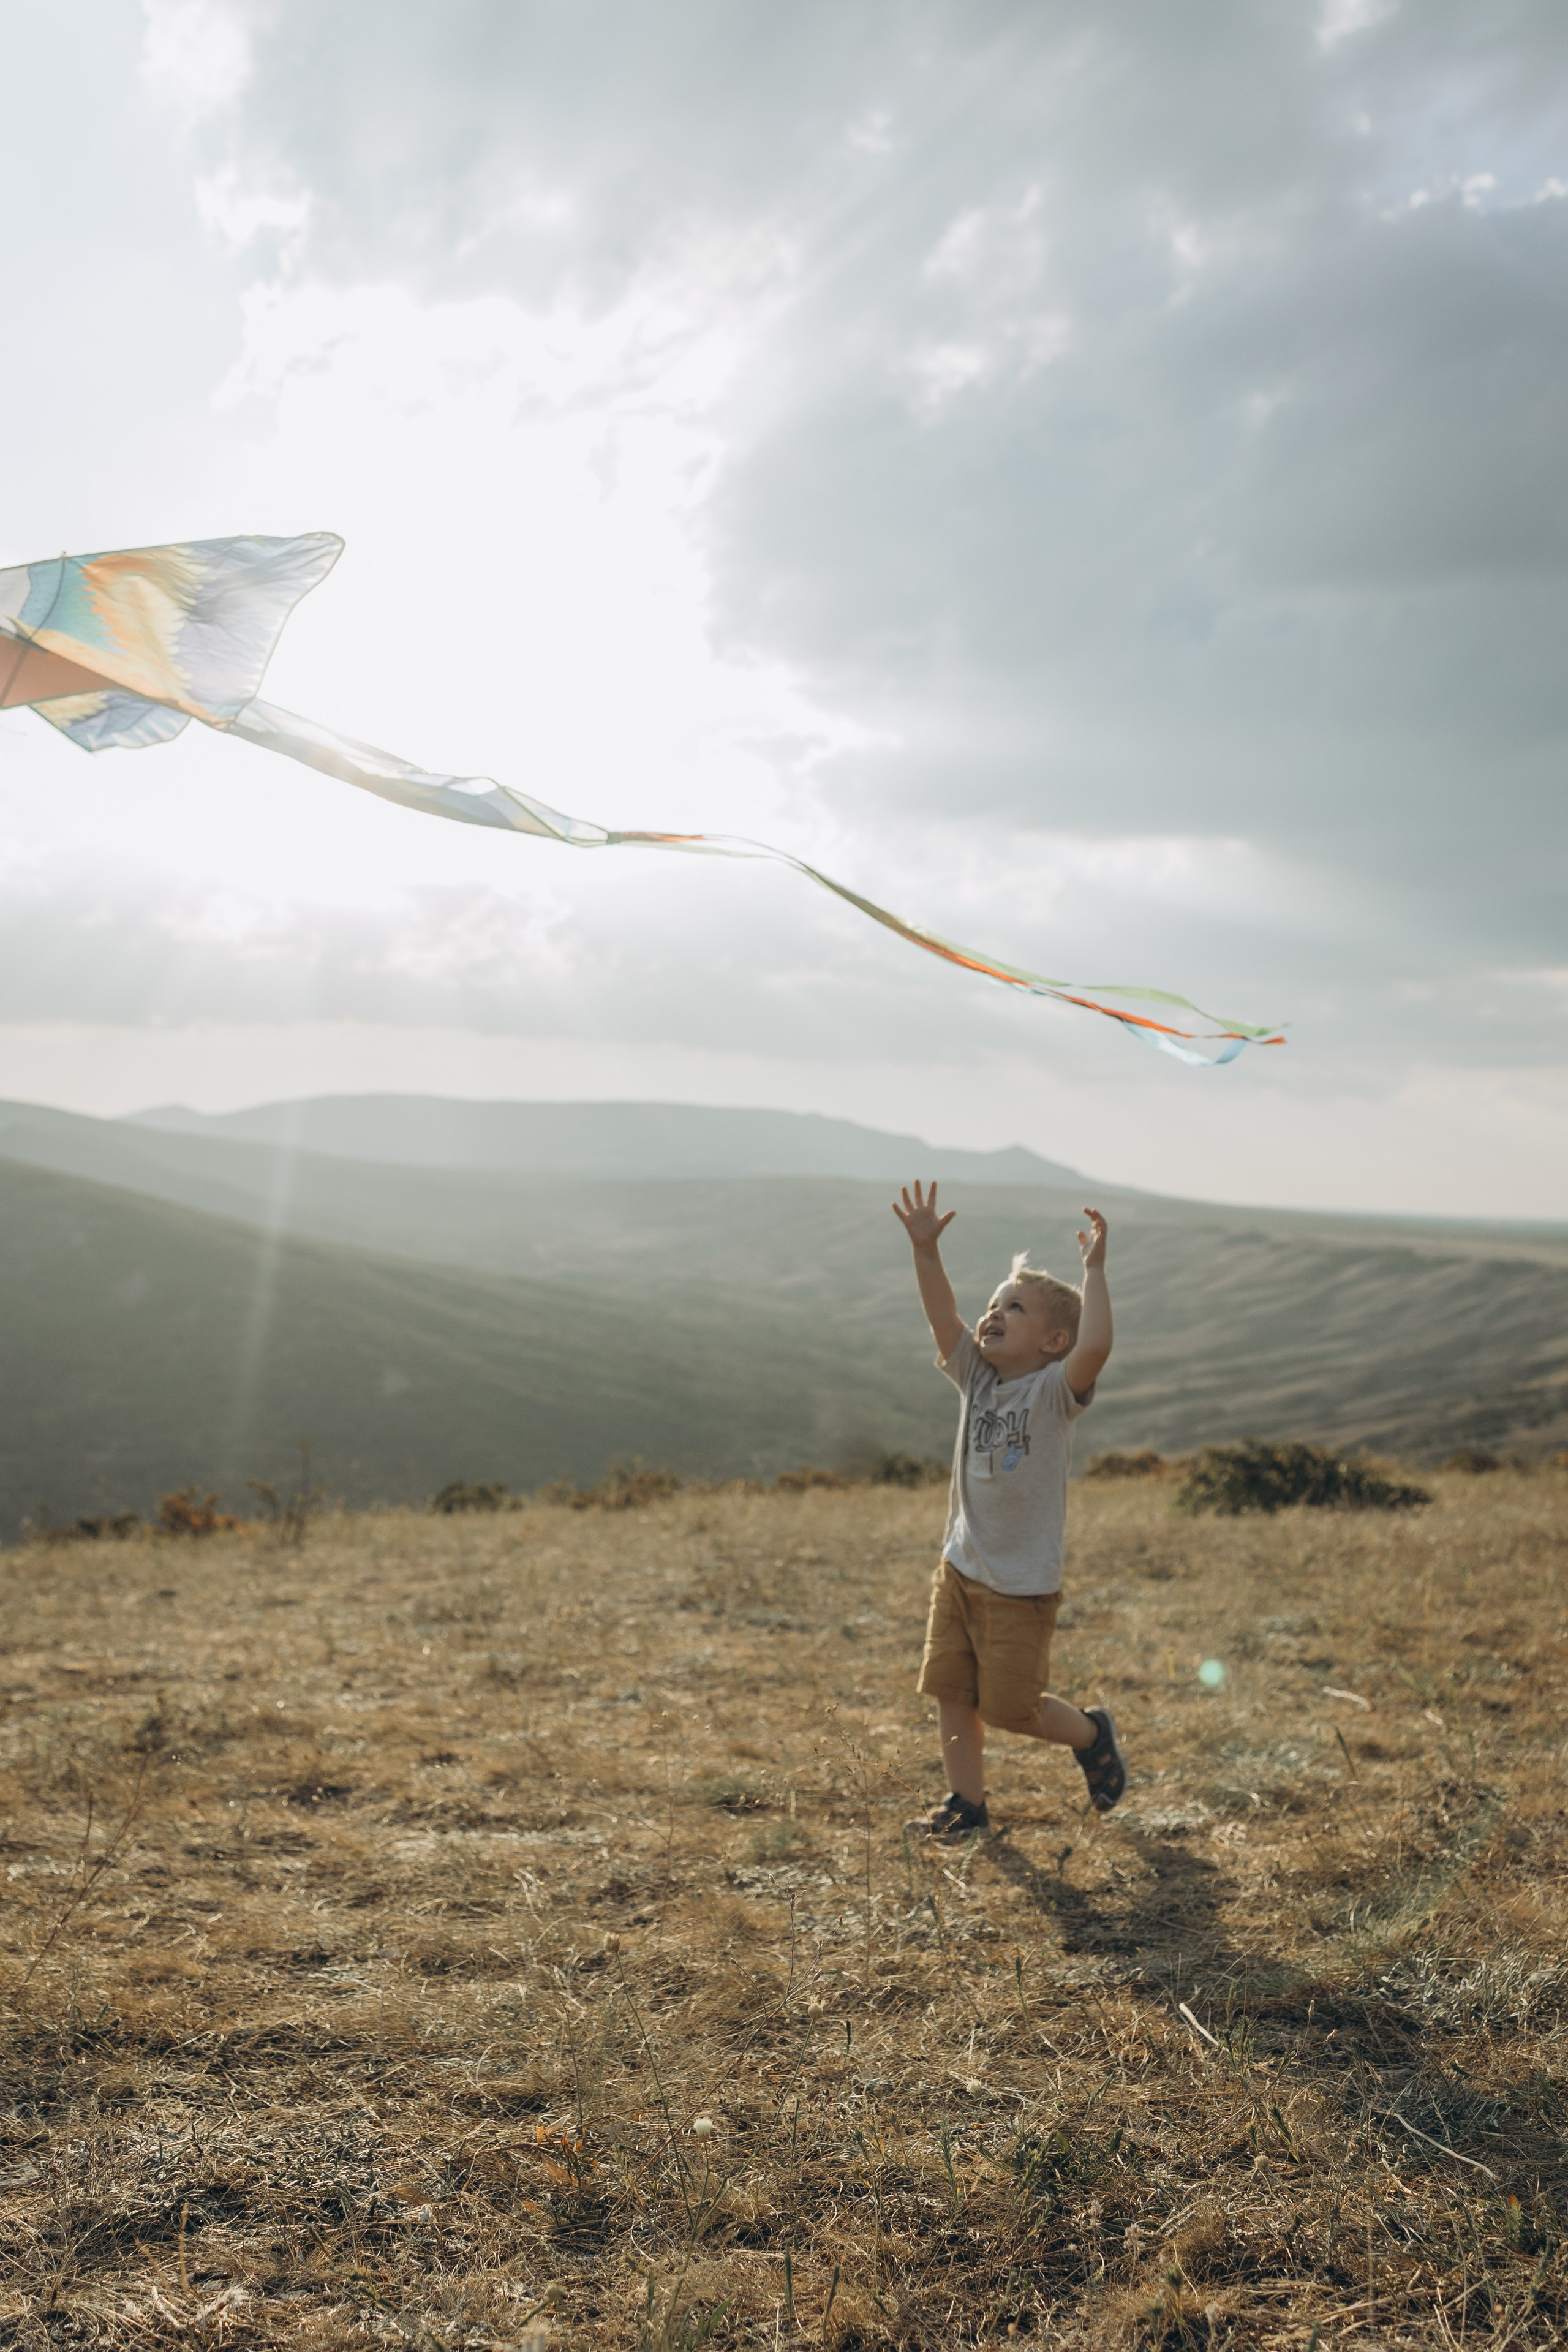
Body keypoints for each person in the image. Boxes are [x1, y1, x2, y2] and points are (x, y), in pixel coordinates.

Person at [891, 1179, 1125, 1841]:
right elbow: (943, 1318)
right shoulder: (976, 1377)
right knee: (950, 1691)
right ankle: (965, 1805)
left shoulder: (1055, 1392)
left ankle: (1089, 1733)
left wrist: (1096, 1272)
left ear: (1053, 1342)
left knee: (1010, 1709)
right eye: (993, 1303)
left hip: (1020, 1587)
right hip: (960, 1567)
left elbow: (1097, 1347)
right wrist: (925, 1252)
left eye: (1013, 1308)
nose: (992, 1314)